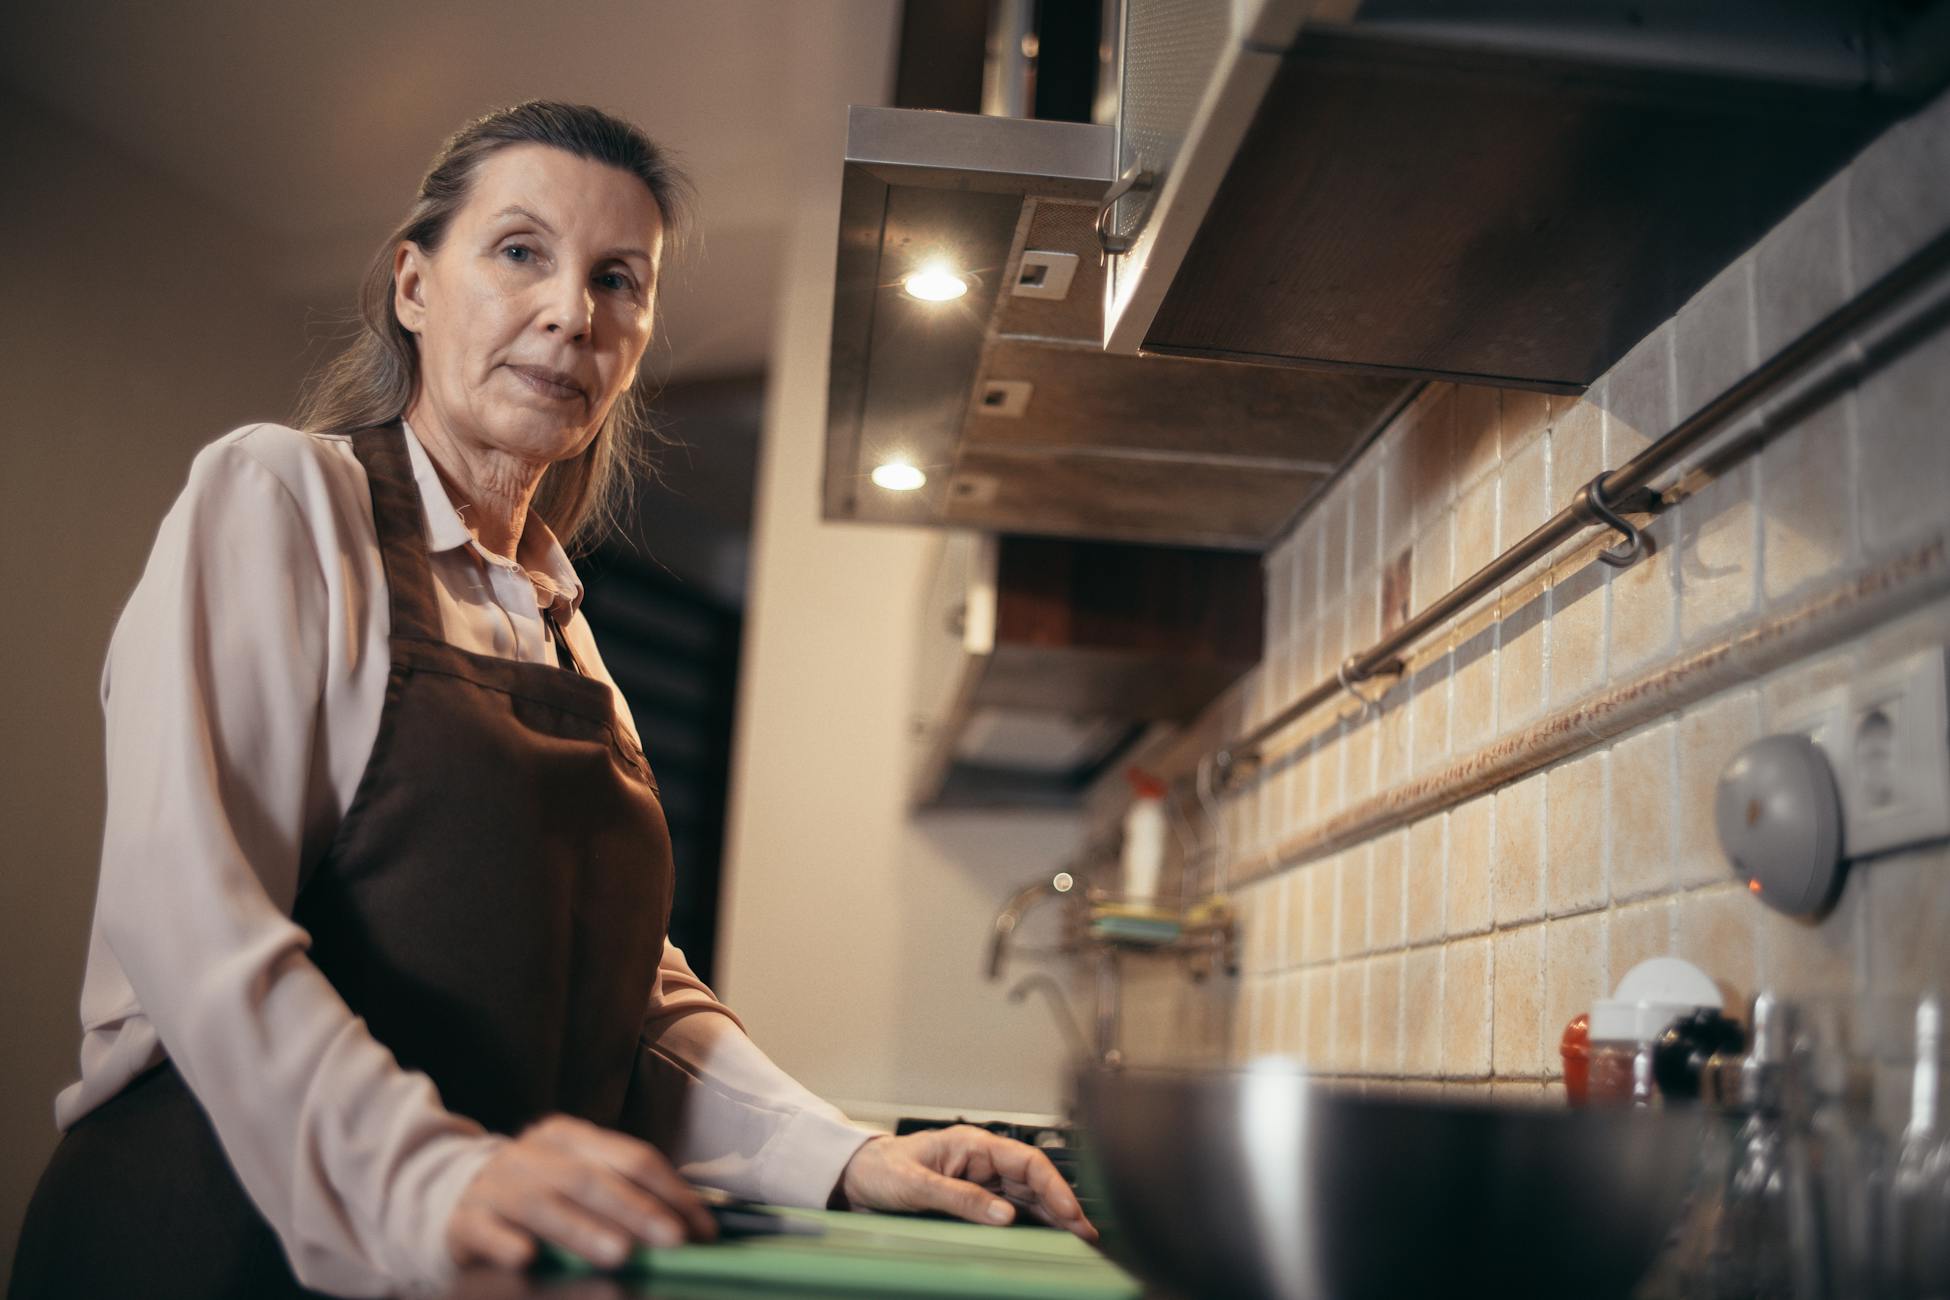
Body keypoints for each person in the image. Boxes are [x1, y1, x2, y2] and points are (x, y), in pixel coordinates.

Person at [10, 100, 1093, 1300]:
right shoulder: (282, 495)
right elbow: (192, 915)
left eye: (618, 279)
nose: (574, 310)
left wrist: (852, 1155)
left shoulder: (566, 634)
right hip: (207, 1249)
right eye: (521, 250)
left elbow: (633, 1002)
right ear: (415, 285)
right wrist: (432, 1179)